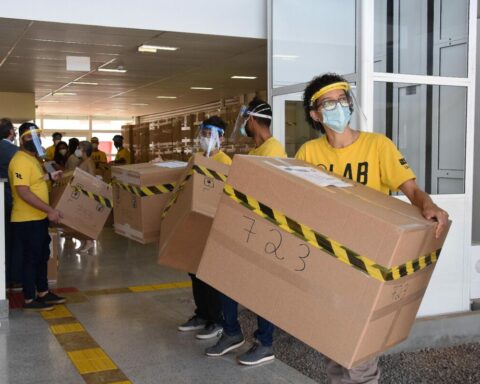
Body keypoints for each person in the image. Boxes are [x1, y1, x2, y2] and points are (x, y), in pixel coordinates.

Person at [295, 73, 449, 384]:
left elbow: (412, 190)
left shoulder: (378, 145)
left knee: (360, 355)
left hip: (370, 261)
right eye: (329, 102)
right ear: (315, 113)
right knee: (335, 349)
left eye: (343, 100)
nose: (339, 107)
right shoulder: (307, 154)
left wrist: (428, 205)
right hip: (329, 262)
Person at [206, 98, 287, 365]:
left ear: (252, 120)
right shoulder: (256, 152)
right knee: (225, 278)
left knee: (260, 290)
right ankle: (232, 332)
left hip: (264, 232)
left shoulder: (273, 151)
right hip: (246, 228)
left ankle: (265, 343)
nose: (243, 127)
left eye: (245, 122)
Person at [178, 116, 231, 340]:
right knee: (195, 271)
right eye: (204, 134)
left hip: (215, 224)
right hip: (196, 223)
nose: (207, 138)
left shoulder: (224, 161)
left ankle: (216, 320)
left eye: (211, 134)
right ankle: (202, 314)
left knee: (209, 274)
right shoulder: (197, 158)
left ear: (221, 137)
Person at [9, 122, 66, 311]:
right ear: (21, 139)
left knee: (43, 255)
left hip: (38, 218)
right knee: (31, 258)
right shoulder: (19, 160)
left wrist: (50, 178)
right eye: (29, 137)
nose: (34, 140)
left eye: (37, 136)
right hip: (26, 220)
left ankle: (43, 292)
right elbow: (23, 192)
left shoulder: (33, 159)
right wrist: (50, 210)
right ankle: (29, 298)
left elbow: (35, 182)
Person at [0, 118, 20, 289]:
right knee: (10, 240)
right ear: (10, 132)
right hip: (8, 199)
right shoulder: (13, 150)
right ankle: (9, 278)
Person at [73, 141, 96, 253]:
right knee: (80, 220)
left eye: (79, 148)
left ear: (84, 150)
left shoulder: (89, 162)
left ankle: (89, 241)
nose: (77, 150)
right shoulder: (82, 161)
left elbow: (92, 178)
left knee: (86, 219)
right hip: (80, 192)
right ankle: (84, 241)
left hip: (87, 193)